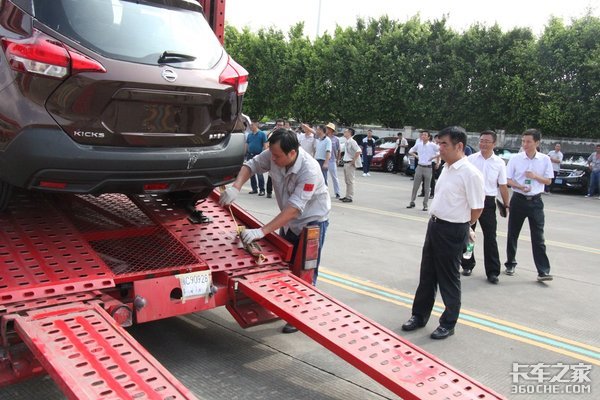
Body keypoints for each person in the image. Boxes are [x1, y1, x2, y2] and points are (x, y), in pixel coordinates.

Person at [219, 129, 330, 333]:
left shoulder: (310, 170)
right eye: (272, 154)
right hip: (287, 222)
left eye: (277, 156)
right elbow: (250, 166)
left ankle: (300, 315)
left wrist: (262, 232)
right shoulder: (273, 154)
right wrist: (236, 187)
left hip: (311, 221)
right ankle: (286, 304)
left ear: (292, 153)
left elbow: (295, 209)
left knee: (304, 269)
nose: (273, 159)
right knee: (285, 265)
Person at [401, 126, 484, 340]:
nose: (440, 148)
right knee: (427, 275)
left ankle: (448, 323)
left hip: (453, 230)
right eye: (438, 143)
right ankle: (419, 316)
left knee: (448, 279)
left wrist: (465, 226)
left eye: (444, 144)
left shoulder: (471, 174)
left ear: (459, 146)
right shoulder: (446, 167)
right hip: (435, 226)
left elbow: (477, 208)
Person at [504, 129, 554, 282]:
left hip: (536, 201)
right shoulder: (515, 159)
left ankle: (543, 271)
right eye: (523, 141)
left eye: (528, 142)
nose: (525, 144)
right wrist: (520, 186)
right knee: (513, 233)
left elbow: (548, 181)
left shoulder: (545, 159)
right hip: (519, 200)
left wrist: (535, 176)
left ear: (537, 142)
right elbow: (508, 180)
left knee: (538, 237)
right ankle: (510, 263)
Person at [461, 130, 510, 284]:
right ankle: (467, 264)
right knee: (468, 235)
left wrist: (506, 204)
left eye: (487, 141)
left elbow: (503, 185)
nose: (483, 144)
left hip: (488, 202)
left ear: (494, 144)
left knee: (490, 237)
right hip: (471, 201)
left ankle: (492, 271)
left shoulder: (499, 163)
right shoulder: (470, 159)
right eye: (481, 140)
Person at [407, 130, 439, 211]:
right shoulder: (419, 144)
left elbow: (441, 151)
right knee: (415, 186)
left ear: (428, 137)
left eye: (425, 135)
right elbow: (410, 151)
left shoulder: (432, 145)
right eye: (422, 135)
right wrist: (416, 156)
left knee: (427, 187)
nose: (423, 136)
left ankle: (425, 204)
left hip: (428, 167)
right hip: (419, 167)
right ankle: (412, 201)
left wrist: (433, 158)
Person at [245, 121, 268, 195]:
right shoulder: (249, 135)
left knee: (259, 173)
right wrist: (244, 153)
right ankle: (254, 189)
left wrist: (265, 155)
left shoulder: (262, 134)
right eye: (250, 125)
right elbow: (247, 145)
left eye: (252, 125)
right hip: (250, 155)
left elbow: (265, 145)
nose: (250, 126)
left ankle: (262, 190)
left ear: (256, 125)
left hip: (258, 155)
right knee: (251, 173)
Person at [340, 128, 362, 203]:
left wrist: (353, 161)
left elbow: (358, 150)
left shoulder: (352, 141)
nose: (344, 132)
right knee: (347, 181)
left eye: (345, 131)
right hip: (346, 162)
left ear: (349, 133)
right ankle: (347, 195)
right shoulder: (347, 142)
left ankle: (349, 197)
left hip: (349, 163)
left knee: (350, 181)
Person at [265, 119, 285, 198]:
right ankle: (269, 192)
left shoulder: (286, 135)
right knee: (271, 174)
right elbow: (267, 144)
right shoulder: (272, 134)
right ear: (276, 125)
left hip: (283, 157)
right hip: (273, 155)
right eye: (278, 125)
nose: (279, 126)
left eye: (281, 125)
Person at [326, 123, 342, 198]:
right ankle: (325, 191)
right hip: (324, 159)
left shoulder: (336, 139)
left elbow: (339, 150)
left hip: (332, 160)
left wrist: (338, 159)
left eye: (328, 128)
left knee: (334, 177)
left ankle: (337, 192)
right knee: (324, 177)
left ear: (331, 130)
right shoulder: (324, 138)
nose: (327, 129)